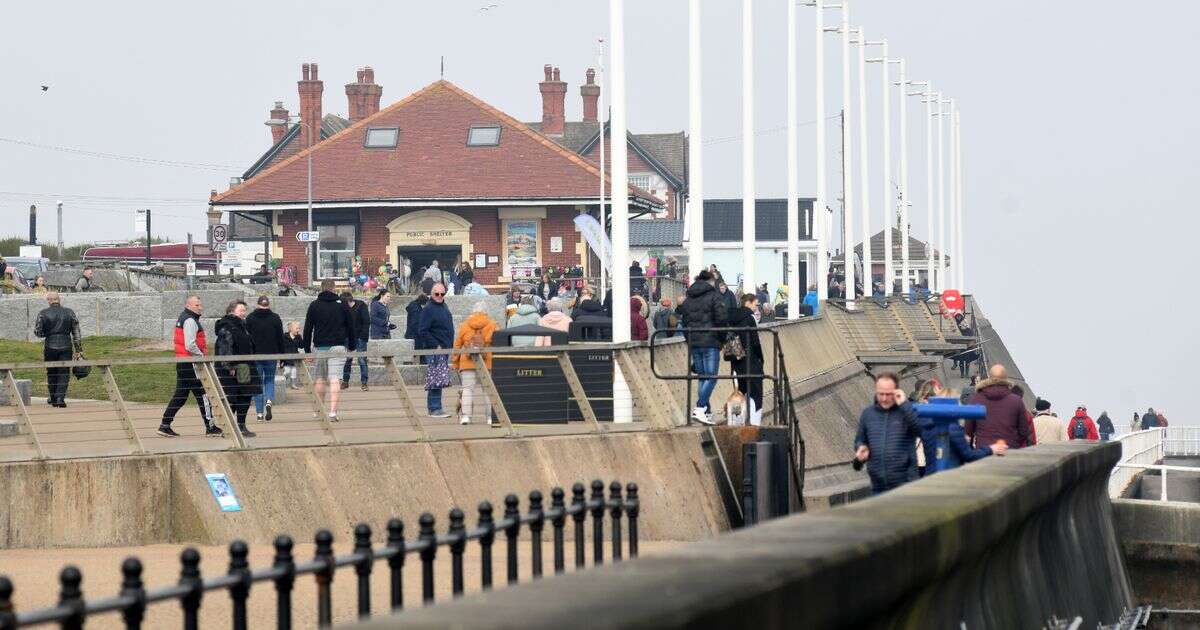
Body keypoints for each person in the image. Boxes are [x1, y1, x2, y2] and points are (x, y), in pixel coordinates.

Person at [158, 295, 220, 438]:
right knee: (203, 394)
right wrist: (202, 357)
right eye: (197, 305)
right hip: (191, 363)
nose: (200, 307)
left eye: (200, 305)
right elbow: (190, 344)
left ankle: (165, 425)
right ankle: (210, 427)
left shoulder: (183, 318)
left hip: (182, 362)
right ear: (189, 305)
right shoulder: (190, 320)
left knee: (180, 396)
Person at [853, 372, 922, 494]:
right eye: (881, 394)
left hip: (905, 484)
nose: (884, 398)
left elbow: (920, 431)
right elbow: (860, 439)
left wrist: (905, 405)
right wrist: (861, 448)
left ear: (896, 392)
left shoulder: (906, 412)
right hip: (878, 485)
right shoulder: (868, 414)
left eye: (888, 394)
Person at [917, 383, 1006, 476]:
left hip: (929, 477)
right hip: (949, 477)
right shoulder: (954, 428)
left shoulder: (926, 426)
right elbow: (969, 456)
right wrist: (991, 449)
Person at [677, 270, 728, 425]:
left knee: (702, 377)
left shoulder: (689, 298)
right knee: (711, 377)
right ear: (711, 281)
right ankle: (700, 408)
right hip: (711, 342)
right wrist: (722, 340)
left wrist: (690, 340)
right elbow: (721, 319)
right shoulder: (714, 296)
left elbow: (684, 323)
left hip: (695, 343)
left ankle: (705, 412)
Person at [303, 279, 356, 422]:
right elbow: (351, 326)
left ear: (321, 289)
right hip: (338, 346)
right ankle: (333, 412)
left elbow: (308, 328)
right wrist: (352, 345)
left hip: (320, 346)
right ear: (334, 289)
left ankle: (319, 411)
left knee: (319, 379)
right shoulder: (343, 305)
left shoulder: (314, 305)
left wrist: (307, 349)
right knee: (335, 379)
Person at [214, 300, 259, 438]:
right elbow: (225, 346)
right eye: (241, 310)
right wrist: (229, 365)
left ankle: (240, 425)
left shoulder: (241, 326)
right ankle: (229, 427)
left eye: (244, 310)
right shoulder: (227, 326)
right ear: (232, 311)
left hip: (245, 366)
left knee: (245, 396)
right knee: (232, 398)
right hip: (233, 368)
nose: (244, 313)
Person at [965, 364, 1035, 449]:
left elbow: (968, 431)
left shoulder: (976, 399)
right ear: (1006, 379)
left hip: (984, 452)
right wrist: (1012, 442)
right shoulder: (1016, 401)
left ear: (989, 378)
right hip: (1009, 451)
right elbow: (1024, 431)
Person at [33, 292, 82, 408]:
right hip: (66, 345)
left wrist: (47, 333)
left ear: (49, 300)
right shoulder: (69, 312)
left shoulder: (43, 313)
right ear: (59, 299)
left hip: (50, 345)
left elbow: (37, 332)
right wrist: (79, 349)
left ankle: (53, 397)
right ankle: (60, 398)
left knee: (51, 371)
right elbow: (76, 332)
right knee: (64, 372)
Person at [452, 302, 498, 425]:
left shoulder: (465, 325)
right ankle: (490, 418)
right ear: (486, 312)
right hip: (486, 361)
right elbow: (499, 342)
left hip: (467, 361)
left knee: (467, 389)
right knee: (488, 390)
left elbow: (457, 344)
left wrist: (455, 363)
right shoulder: (492, 324)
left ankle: (466, 417)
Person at [417, 282, 455, 418]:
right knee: (436, 378)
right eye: (436, 294)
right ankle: (435, 408)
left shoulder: (444, 306)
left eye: (442, 294)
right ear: (431, 294)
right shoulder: (428, 309)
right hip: (435, 350)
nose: (439, 296)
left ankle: (435, 407)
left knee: (438, 378)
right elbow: (422, 330)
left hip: (444, 348)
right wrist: (436, 345)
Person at [726, 293, 764, 425]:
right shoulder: (750, 318)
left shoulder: (730, 318)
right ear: (748, 303)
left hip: (736, 362)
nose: (756, 307)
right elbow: (755, 341)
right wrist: (761, 358)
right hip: (751, 361)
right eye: (755, 304)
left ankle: (736, 421)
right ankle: (755, 424)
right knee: (755, 394)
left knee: (739, 392)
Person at [245, 295, 284, 422]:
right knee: (269, 380)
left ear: (258, 304)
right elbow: (280, 338)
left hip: (255, 355)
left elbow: (247, 338)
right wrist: (282, 355)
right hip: (271, 354)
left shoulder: (250, 318)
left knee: (257, 382)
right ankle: (268, 401)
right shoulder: (275, 318)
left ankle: (260, 413)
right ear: (269, 304)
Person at [340, 291, 372, 391]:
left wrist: (363, 337)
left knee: (362, 360)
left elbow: (366, 322)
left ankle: (364, 382)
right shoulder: (343, 308)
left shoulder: (361, 306)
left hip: (360, 337)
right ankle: (345, 381)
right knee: (347, 359)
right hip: (348, 338)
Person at [281, 321, 303, 389]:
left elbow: (301, 346)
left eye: (299, 328)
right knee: (287, 371)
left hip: (295, 358)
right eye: (297, 328)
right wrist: (281, 360)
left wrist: (301, 340)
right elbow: (281, 348)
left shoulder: (298, 337)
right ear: (291, 329)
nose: (298, 330)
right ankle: (281, 382)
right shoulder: (284, 336)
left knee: (294, 371)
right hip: (287, 358)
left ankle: (293, 384)